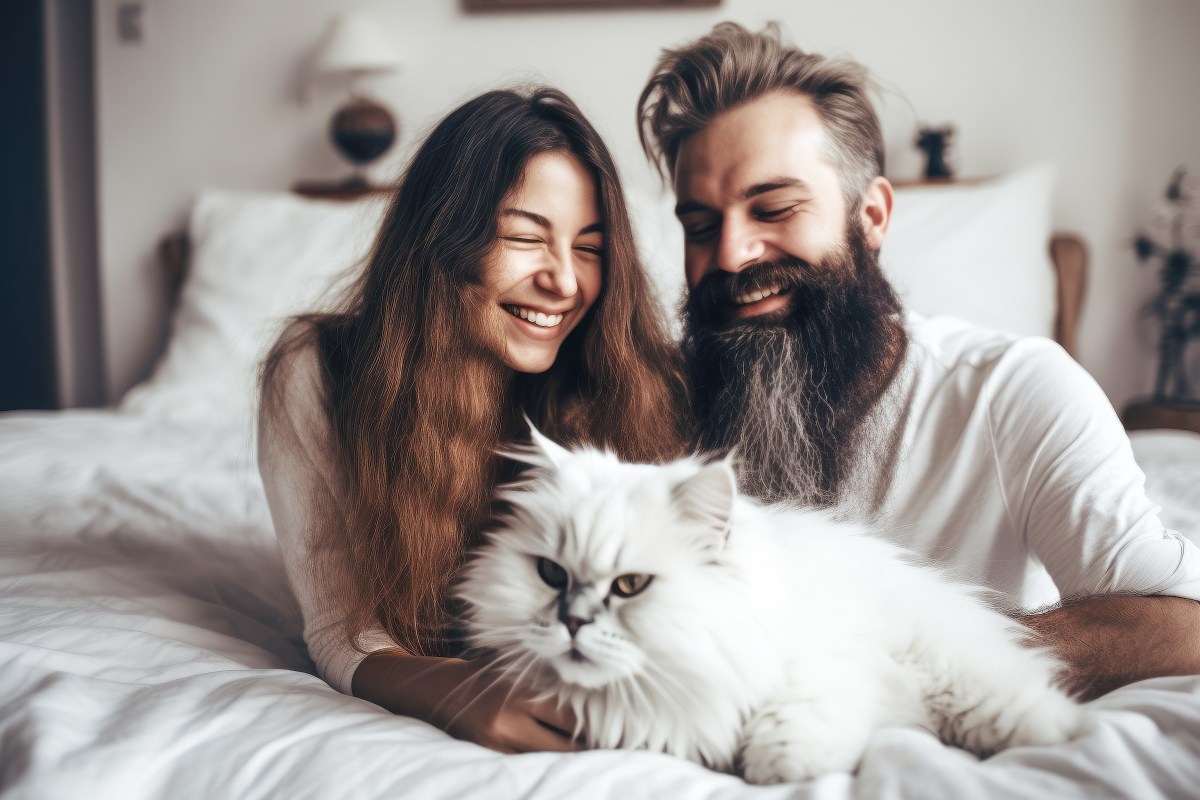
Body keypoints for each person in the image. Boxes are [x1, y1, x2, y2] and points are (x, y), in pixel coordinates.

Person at [637, 22, 1200, 700]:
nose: (730, 255)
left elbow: (1181, 625)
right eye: (700, 226)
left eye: (775, 208)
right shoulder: (648, 400)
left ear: (871, 216)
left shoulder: (1011, 390)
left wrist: (900, 663)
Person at [257, 87, 688, 753]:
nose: (565, 282)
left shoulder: (641, 387)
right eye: (524, 237)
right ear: (441, 236)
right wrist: (456, 689)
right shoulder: (317, 372)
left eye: (590, 248)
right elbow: (342, 629)